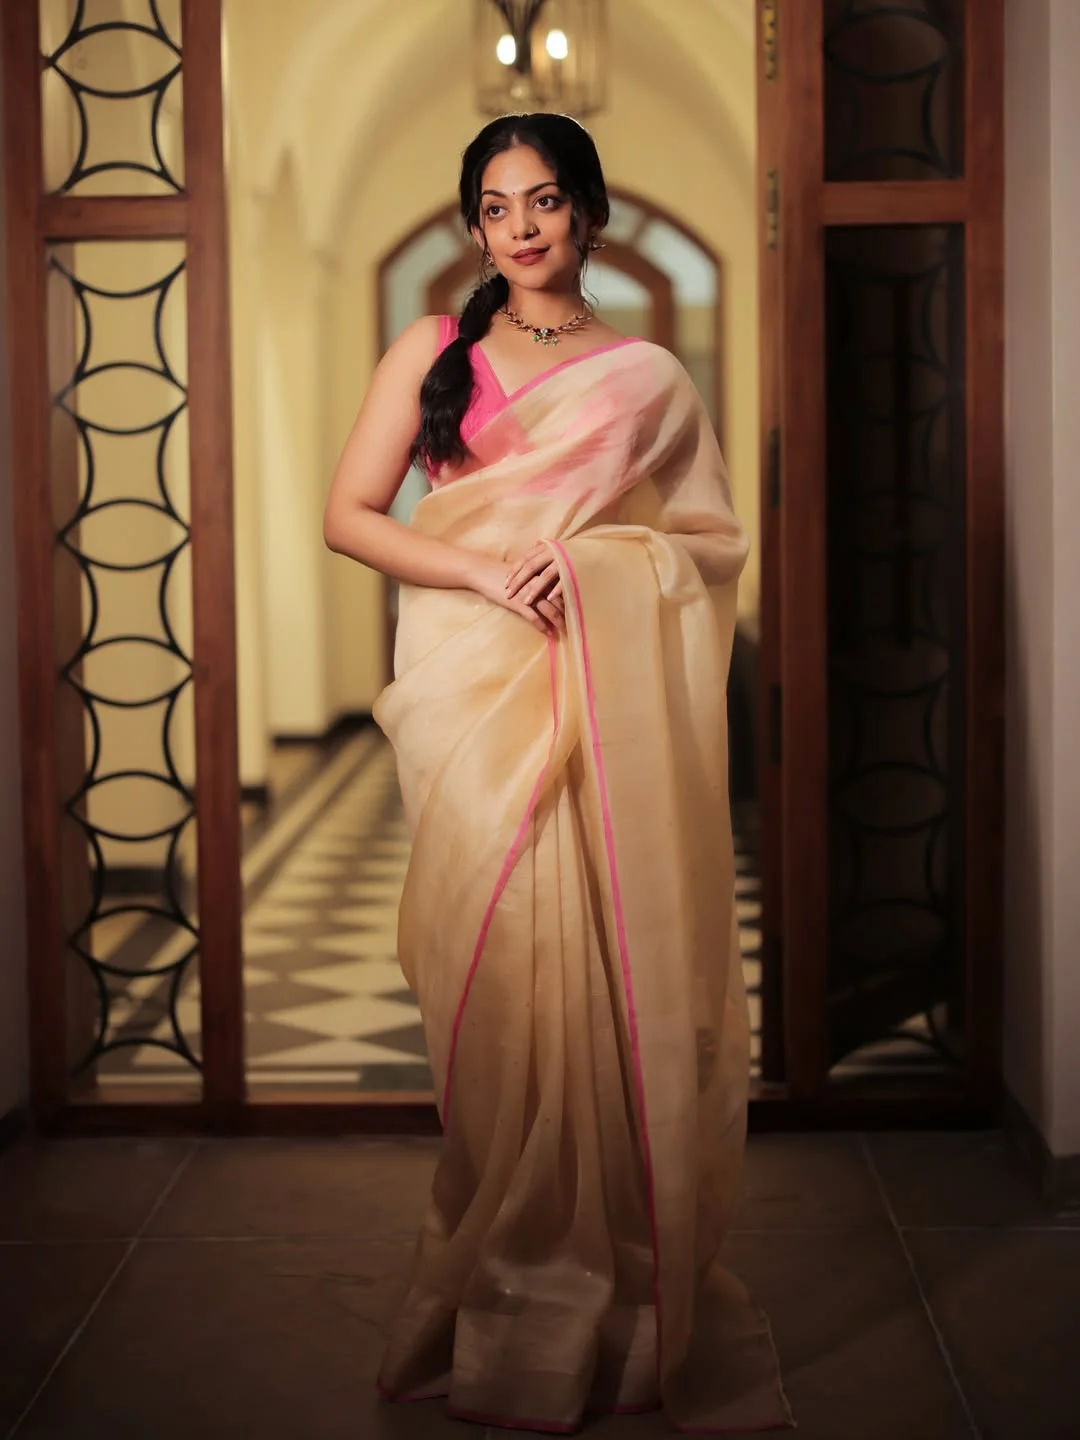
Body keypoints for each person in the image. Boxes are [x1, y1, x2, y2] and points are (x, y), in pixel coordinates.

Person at [323, 112, 794, 1436]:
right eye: (494, 205)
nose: (519, 225)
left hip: (596, 701)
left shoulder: (647, 376)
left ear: (590, 211)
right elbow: (347, 515)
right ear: (475, 226)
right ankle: (504, 1272)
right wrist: (481, 567)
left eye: (543, 200)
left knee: (591, 970)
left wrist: (594, 565)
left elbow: (704, 542)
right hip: (467, 689)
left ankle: (604, 1292)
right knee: (494, 981)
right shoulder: (433, 350)